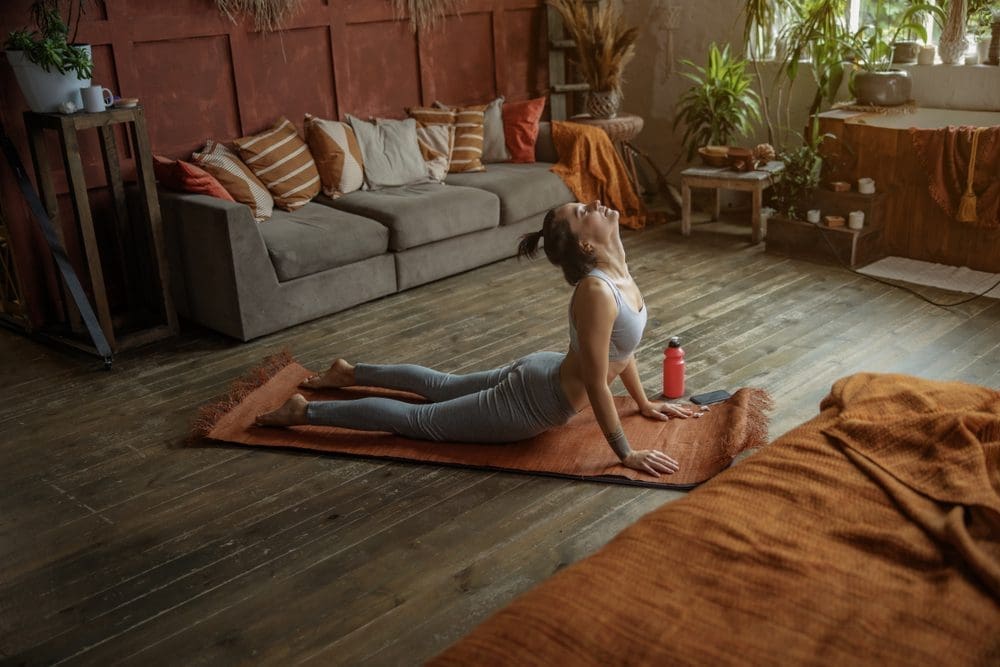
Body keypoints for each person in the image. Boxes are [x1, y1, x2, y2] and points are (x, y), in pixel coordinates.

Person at [256, 200, 702, 477]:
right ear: (586, 246)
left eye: (583, 206)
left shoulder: (618, 272)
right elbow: (596, 380)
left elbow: (621, 353)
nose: (595, 204)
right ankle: (306, 410)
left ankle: (351, 373)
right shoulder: (597, 292)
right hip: (532, 402)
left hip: (542, 372)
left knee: (442, 387)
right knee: (419, 422)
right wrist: (624, 452)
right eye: (584, 211)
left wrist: (644, 405)